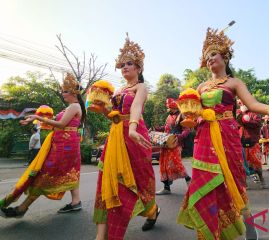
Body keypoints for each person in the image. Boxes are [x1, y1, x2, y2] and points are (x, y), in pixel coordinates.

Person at [177, 27, 269, 240]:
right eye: (206, 56)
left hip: (227, 136)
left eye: (213, 54)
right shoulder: (201, 86)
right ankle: (209, 231)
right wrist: (188, 117)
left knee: (234, 181)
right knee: (204, 183)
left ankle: (248, 221)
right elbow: (192, 115)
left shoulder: (234, 82)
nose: (210, 59)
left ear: (225, 56)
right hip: (204, 137)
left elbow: (253, 104)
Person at [93, 34, 160, 240]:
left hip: (134, 134)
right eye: (122, 64)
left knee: (139, 182)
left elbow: (136, 107)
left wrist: (131, 128)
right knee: (108, 180)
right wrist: (102, 108)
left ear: (139, 68)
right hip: (115, 136)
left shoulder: (141, 87)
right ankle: (101, 235)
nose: (125, 67)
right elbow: (113, 116)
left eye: (129, 63)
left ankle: (152, 210)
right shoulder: (118, 90)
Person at [0, 72, 85, 217]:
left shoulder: (73, 107)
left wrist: (38, 117)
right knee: (70, 172)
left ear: (73, 92)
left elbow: (61, 124)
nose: (62, 93)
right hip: (65, 144)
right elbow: (59, 125)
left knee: (44, 175)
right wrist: (36, 119)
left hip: (64, 146)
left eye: (64, 91)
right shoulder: (72, 107)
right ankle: (76, 202)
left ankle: (22, 208)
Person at [156, 98, 191, 195]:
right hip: (166, 144)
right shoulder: (169, 116)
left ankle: (190, 184)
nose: (168, 109)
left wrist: (178, 137)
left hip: (175, 144)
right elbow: (166, 128)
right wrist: (158, 128)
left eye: (169, 107)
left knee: (176, 164)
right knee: (164, 165)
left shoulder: (182, 115)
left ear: (174, 107)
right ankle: (166, 188)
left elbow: (187, 130)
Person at [237, 101, 266, 188]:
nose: (242, 105)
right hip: (241, 142)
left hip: (253, 142)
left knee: (256, 163)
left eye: (244, 103)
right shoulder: (238, 113)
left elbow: (257, 123)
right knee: (242, 164)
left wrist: (247, 121)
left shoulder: (254, 114)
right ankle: (244, 183)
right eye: (240, 103)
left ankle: (261, 179)